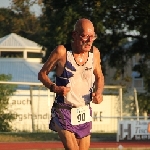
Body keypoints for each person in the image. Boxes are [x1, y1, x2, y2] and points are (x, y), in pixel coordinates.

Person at [38, 18, 104, 150]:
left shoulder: (94, 53)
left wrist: (99, 93)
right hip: (64, 109)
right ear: (74, 35)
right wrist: (54, 87)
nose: (89, 41)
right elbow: (42, 74)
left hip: (83, 110)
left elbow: (99, 76)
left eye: (92, 37)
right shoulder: (62, 52)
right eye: (85, 36)